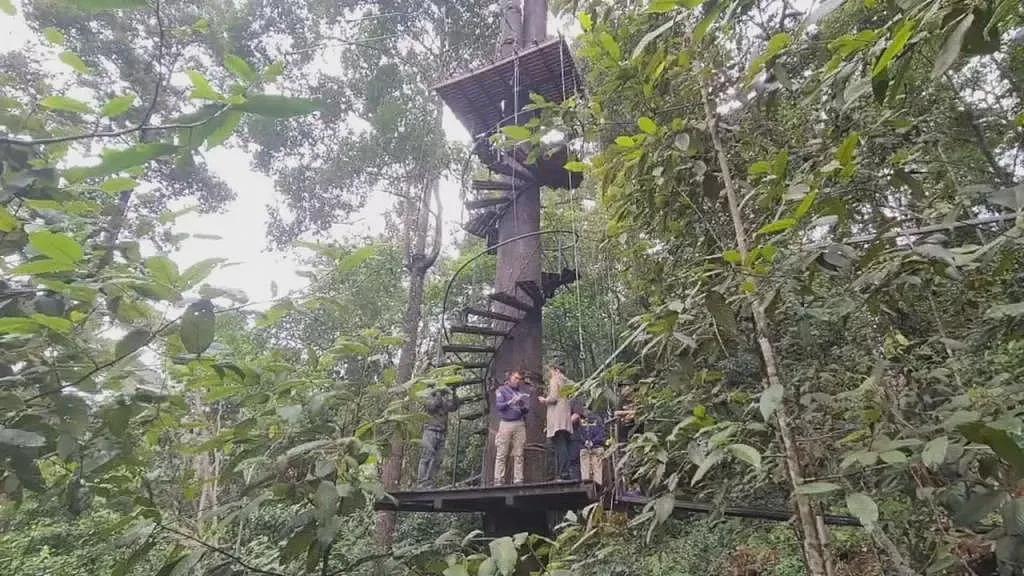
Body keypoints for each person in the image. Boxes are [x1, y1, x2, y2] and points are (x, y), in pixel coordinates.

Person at [416, 385, 460, 488]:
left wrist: (453, 392)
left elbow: (453, 407)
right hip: (430, 431)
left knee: (437, 459)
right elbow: (433, 406)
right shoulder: (429, 396)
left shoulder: (444, 400)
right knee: (427, 457)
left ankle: (430, 482)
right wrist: (438, 392)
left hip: (441, 432)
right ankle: (422, 483)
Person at [538, 365, 574, 480]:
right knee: (564, 445)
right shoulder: (567, 382)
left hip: (557, 419)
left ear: (556, 370)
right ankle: (566, 472)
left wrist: (544, 400)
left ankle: (563, 474)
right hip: (565, 419)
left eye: (551, 371)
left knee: (559, 446)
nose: (550, 373)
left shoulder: (555, 379)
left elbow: (553, 398)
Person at [494, 370, 529, 485]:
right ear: (509, 378)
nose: (517, 381)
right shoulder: (501, 390)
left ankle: (518, 479)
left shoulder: (522, 392)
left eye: (519, 379)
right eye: (515, 378)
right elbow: (499, 406)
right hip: (505, 423)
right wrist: (510, 402)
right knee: (502, 452)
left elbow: (526, 410)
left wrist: (521, 404)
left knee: (519, 453)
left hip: (519, 423)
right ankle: (499, 479)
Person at [578, 407, 607, 487]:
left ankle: (587, 490)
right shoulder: (599, 419)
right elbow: (602, 434)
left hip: (587, 447)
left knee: (585, 472)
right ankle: (596, 490)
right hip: (596, 446)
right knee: (597, 472)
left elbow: (579, 434)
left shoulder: (581, 420)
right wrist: (592, 442)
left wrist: (586, 442)